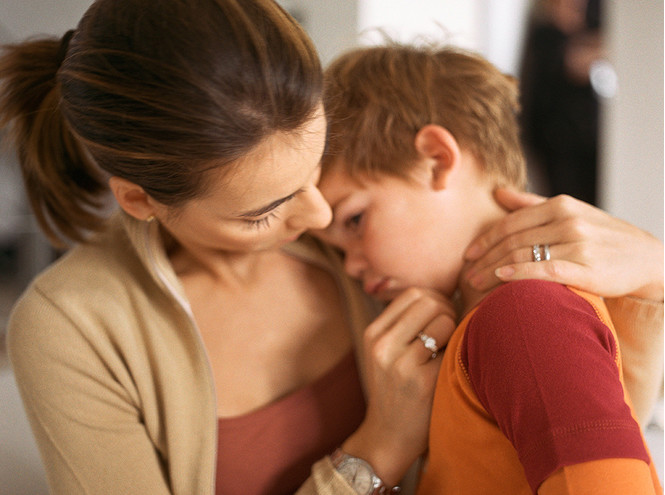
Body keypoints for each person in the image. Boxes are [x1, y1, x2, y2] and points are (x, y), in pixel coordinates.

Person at [0, 0, 661, 494]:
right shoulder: (71, 328)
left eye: (316, 172)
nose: (316, 216)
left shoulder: (391, 254)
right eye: (266, 207)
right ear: (142, 199)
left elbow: (581, 405)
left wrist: (653, 274)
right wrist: (373, 453)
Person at [316, 42, 662, 494]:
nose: (354, 266)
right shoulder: (483, 320)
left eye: (356, 220)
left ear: (437, 159)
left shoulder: (526, 314)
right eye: (337, 251)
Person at [519, 0, 604, 204]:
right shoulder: (545, 39)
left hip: (584, 141)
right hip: (554, 141)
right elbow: (575, 65)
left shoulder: (591, 25)